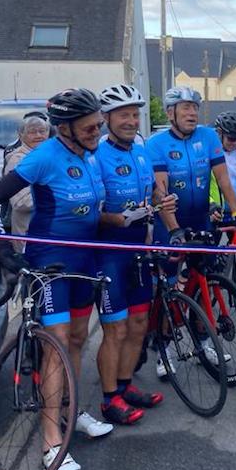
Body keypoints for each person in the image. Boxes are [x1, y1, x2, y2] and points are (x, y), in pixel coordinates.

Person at [0, 88, 114, 470]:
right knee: (56, 346)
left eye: (99, 125)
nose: (97, 132)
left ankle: (70, 410)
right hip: (49, 263)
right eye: (90, 127)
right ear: (65, 127)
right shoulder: (44, 156)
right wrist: (4, 248)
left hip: (84, 260)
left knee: (77, 339)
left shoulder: (89, 155)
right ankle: (51, 443)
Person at [146, 86, 236, 376]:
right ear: (171, 113)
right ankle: (165, 346)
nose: (192, 113)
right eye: (185, 108)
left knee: (206, 283)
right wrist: (174, 229)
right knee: (170, 287)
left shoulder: (208, 137)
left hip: (202, 220)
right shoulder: (157, 144)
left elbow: (223, 179)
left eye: (194, 107)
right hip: (170, 224)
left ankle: (204, 340)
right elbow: (161, 192)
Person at [94, 84, 165, 425]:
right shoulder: (96, 155)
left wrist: (163, 201)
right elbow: (89, 211)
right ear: (106, 118)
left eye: (135, 114)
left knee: (138, 324)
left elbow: (153, 190)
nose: (131, 121)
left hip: (139, 248)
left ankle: (125, 386)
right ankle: (109, 399)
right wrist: (119, 218)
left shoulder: (140, 150)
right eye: (123, 115)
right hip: (109, 252)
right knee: (116, 329)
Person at [3, 114, 50, 252]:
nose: (38, 135)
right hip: (29, 237)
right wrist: (61, 196)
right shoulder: (17, 161)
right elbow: (20, 202)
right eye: (32, 132)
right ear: (21, 135)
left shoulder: (48, 156)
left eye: (42, 131)